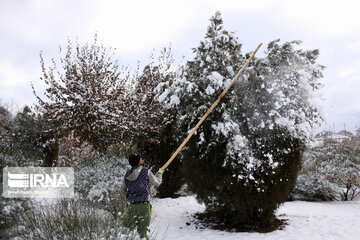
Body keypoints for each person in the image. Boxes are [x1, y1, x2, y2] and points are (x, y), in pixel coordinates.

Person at [120, 154, 164, 239]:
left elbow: (122, 190)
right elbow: (157, 182)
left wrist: (128, 199)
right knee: (143, 231)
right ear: (138, 162)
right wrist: (160, 173)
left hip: (132, 206)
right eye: (140, 158)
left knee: (128, 231)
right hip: (144, 205)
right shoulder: (146, 172)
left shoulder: (127, 174)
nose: (142, 159)